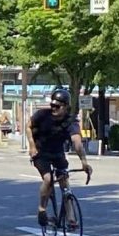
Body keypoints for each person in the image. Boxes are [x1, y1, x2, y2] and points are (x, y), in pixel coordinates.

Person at [29, 87, 93, 227]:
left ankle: (70, 218)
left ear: (65, 107)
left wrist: (84, 162)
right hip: (41, 153)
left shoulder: (70, 121)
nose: (53, 108)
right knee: (48, 179)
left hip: (57, 152)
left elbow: (76, 142)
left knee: (64, 182)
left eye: (57, 106)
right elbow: (29, 126)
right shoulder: (42, 115)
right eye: (52, 105)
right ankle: (42, 209)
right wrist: (32, 146)